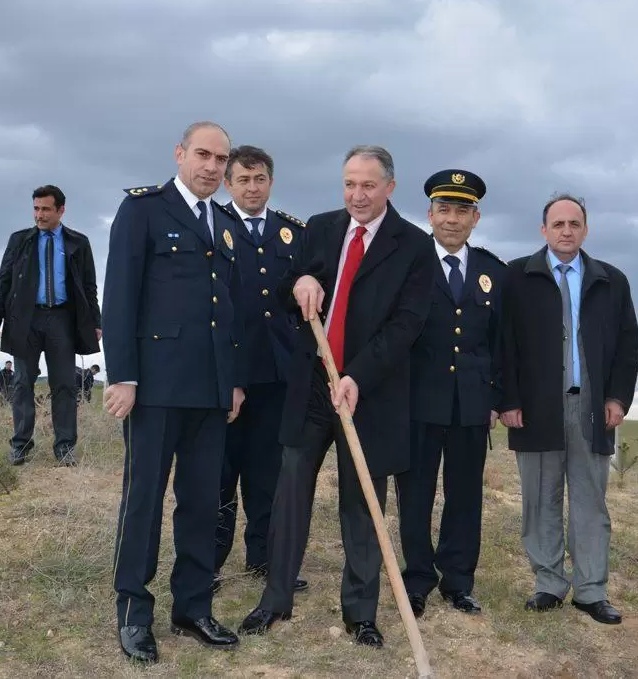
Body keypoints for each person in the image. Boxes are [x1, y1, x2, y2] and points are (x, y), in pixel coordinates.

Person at [238, 145, 433, 649]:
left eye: (368, 185)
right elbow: (286, 290)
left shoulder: (412, 245)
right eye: (349, 184)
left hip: (369, 393)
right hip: (311, 386)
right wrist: (300, 279)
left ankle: (360, 612)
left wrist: (358, 376)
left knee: (361, 504)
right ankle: (275, 599)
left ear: (390, 186)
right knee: (290, 493)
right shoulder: (320, 228)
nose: (357, 195)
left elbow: (407, 324)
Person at [102, 121, 247, 664]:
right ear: (180, 153)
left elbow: (228, 313)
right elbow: (119, 295)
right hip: (157, 385)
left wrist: (232, 381)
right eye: (203, 155)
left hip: (209, 389)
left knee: (202, 502)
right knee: (144, 500)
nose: (212, 167)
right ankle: (134, 611)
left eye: (221, 159)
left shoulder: (224, 223)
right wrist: (124, 376)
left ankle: (192, 605)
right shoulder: (144, 209)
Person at [498, 193, 638, 623]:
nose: (566, 231)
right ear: (543, 230)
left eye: (574, 224)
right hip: (536, 407)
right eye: (557, 224)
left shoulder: (611, 280)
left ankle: (591, 590)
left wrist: (617, 398)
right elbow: (501, 344)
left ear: (585, 229)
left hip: (592, 408)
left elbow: (628, 346)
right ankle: (548, 583)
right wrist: (507, 400)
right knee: (540, 498)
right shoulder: (517, 276)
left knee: (590, 501)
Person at [395, 169, 505, 618]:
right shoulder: (408, 263)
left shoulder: (493, 271)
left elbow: (502, 343)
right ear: (430, 214)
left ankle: (458, 581)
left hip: (471, 405)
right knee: (416, 494)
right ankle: (418, 578)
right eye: (444, 209)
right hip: (419, 401)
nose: (453, 219)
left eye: (462, 210)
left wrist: (498, 398)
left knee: (465, 495)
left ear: (475, 217)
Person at [215, 145, 308, 594]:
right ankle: (209, 563)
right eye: (243, 180)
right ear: (228, 183)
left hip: (277, 373)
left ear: (271, 182)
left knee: (269, 470)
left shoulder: (293, 234)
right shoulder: (213, 225)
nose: (252, 189)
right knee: (219, 472)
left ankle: (265, 557)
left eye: (260, 180)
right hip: (227, 372)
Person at [0, 185, 102, 466]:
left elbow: (89, 287)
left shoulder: (79, 243)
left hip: (62, 319)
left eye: (46, 209)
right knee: (22, 381)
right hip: (25, 319)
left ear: (61, 210)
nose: (40, 214)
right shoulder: (19, 240)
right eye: (36, 208)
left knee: (64, 384)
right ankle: (21, 445)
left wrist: (95, 322)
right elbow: (4, 282)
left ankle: (64, 448)